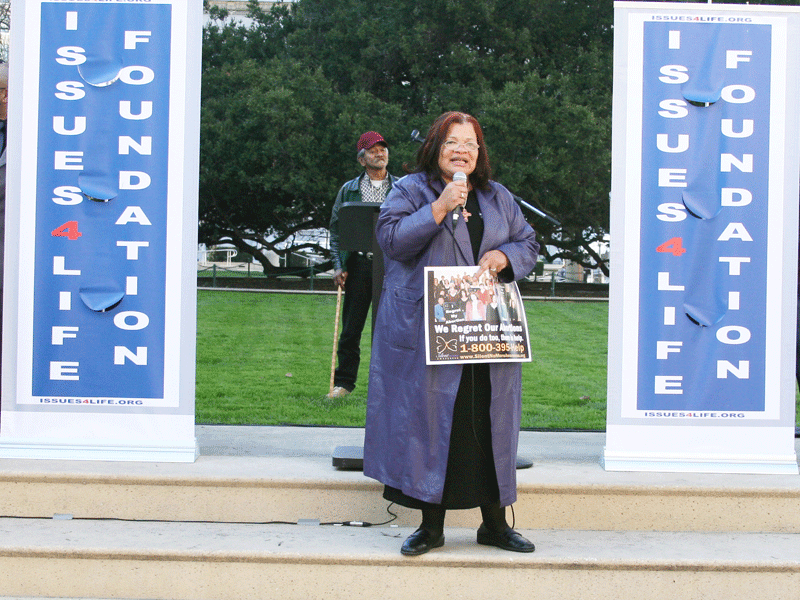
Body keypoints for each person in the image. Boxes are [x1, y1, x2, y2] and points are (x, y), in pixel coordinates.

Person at [363, 111, 540, 556]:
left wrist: (504, 256)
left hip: (486, 331)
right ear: (435, 147)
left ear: (479, 153)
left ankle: (495, 525)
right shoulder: (409, 190)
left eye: (471, 143)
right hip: (428, 330)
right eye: (452, 142)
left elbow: (528, 242)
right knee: (433, 423)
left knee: (487, 419)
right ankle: (431, 528)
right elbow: (392, 241)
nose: (462, 150)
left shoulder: (498, 197)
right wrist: (440, 206)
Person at [327, 132, 399, 398]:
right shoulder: (349, 190)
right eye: (372, 151)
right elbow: (336, 230)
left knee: (391, 328)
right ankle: (343, 384)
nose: (380, 154)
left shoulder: (402, 188)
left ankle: (389, 385)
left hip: (392, 267)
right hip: (358, 265)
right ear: (362, 159)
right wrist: (337, 264)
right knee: (350, 330)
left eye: (383, 149)